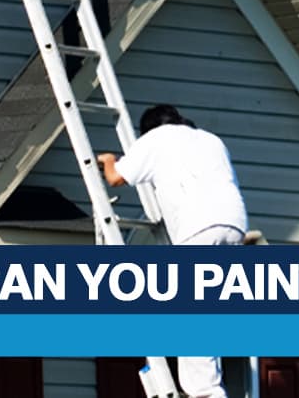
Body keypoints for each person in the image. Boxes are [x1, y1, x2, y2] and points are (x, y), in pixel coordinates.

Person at [98, 104, 247, 398]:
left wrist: (107, 161)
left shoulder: (156, 139)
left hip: (199, 228)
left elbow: (116, 177)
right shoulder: (209, 139)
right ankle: (209, 386)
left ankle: (206, 393)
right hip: (234, 225)